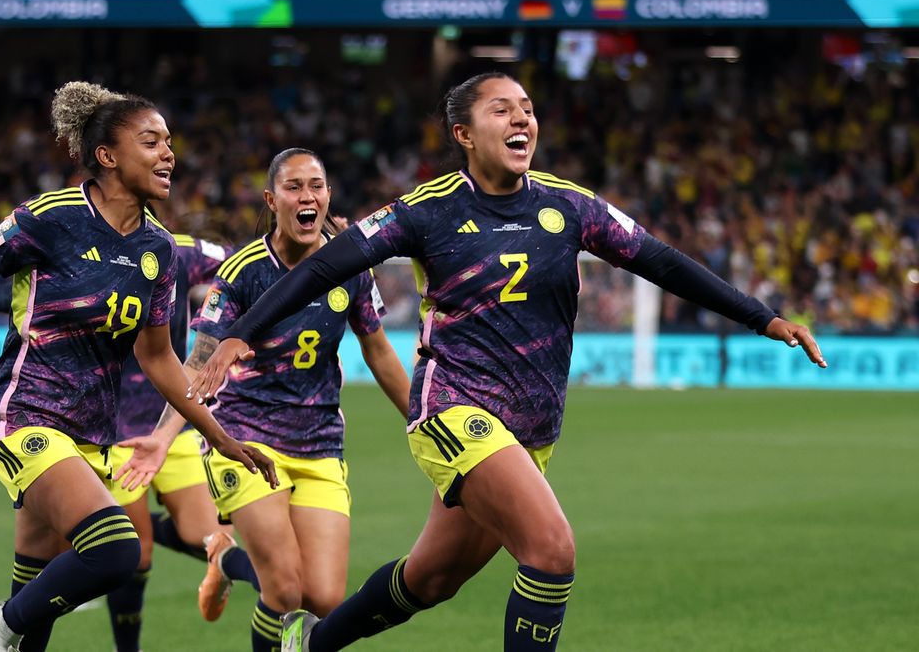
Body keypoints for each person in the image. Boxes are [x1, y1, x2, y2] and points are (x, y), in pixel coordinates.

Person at [185, 72, 828, 652]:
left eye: (527, 108)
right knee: (551, 551)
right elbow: (331, 260)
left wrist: (762, 317)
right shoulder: (426, 211)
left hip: (531, 430)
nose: (522, 119)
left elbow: (658, 260)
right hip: (453, 412)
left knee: (428, 580)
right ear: (464, 133)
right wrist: (244, 331)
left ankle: (311, 648)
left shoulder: (570, 206)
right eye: (502, 110)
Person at [0, 81, 276, 652]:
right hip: (24, 417)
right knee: (117, 550)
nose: (170, 153)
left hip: (92, 436)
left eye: (170, 141)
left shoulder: (160, 251)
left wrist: (221, 438)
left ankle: (10, 630)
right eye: (152, 141)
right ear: (107, 156)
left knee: (35, 613)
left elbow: (158, 358)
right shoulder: (50, 218)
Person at [0, 231, 263, 648]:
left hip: (174, 419)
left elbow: (248, 262)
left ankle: (194, 556)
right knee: (131, 552)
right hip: (113, 429)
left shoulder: (176, 251)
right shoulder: (74, 239)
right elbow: (4, 293)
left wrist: (312, 262)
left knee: (206, 535)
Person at [121, 147, 411, 652]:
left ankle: (223, 558)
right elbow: (199, 360)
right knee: (283, 589)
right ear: (271, 200)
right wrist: (166, 436)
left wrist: (423, 420)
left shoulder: (350, 264)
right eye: (294, 187)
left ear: (327, 196)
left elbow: (380, 351)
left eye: (316, 186)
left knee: (324, 598)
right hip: (245, 438)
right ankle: (231, 561)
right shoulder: (243, 271)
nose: (307, 196)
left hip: (320, 445)